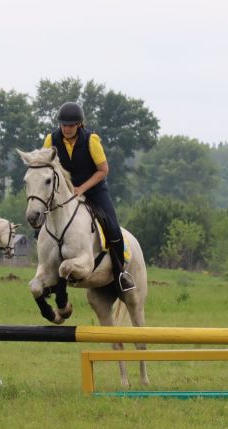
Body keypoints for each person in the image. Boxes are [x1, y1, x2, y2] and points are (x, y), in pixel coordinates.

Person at [42, 102, 135, 293]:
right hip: (66, 194)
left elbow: (103, 170)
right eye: (64, 125)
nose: (67, 129)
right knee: (46, 222)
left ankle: (119, 274)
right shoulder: (51, 140)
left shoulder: (91, 140)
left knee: (113, 228)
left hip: (94, 191)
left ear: (79, 125)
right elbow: (45, 168)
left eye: (71, 125)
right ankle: (47, 270)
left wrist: (81, 188)